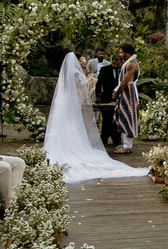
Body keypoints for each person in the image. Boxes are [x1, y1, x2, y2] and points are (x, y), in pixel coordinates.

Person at [44, 52, 146, 183]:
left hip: (66, 105)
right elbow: (84, 87)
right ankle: (75, 146)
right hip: (75, 104)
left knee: (67, 125)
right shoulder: (76, 73)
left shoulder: (65, 76)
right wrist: (92, 79)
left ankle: (65, 145)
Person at [113, 42, 140, 154]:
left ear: (127, 53)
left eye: (121, 52)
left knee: (128, 116)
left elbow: (125, 81)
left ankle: (127, 145)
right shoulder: (129, 63)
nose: (120, 54)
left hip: (128, 92)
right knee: (123, 116)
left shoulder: (131, 64)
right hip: (126, 92)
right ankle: (125, 143)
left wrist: (117, 91)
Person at [96, 52, 123, 148]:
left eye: (117, 64)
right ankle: (104, 138)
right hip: (106, 96)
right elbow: (99, 82)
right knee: (106, 118)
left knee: (117, 118)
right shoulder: (105, 69)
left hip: (118, 97)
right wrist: (98, 93)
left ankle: (116, 138)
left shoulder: (122, 71)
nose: (115, 66)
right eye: (114, 64)